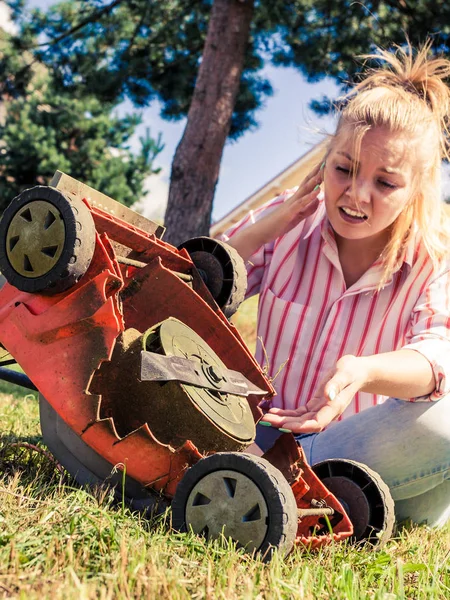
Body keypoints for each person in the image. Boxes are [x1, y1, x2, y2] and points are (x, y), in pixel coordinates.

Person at [223, 42, 450, 527]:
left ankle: (322, 499)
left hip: (359, 457)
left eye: (385, 183)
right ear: (324, 162)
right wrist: (272, 225)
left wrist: (361, 371)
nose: (355, 194)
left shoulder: (434, 258)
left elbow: (437, 358)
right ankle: (288, 493)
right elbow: (198, 291)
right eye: (343, 169)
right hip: (263, 441)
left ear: (417, 189)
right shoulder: (290, 220)